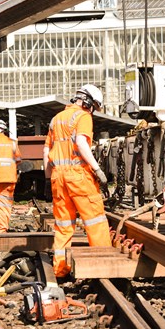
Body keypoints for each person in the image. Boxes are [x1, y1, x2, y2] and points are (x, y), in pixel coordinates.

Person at [43, 84, 112, 278]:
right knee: (95, 219)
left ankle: (60, 269)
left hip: (58, 176)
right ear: (88, 102)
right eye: (93, 107)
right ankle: (104, 264)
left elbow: (46, 151)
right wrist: (97, 169)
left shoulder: (56, 119)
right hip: (78, 175)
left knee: (64, 225)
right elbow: (81, 144)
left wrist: (48, 180)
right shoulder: (83, 117)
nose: (92, 111)